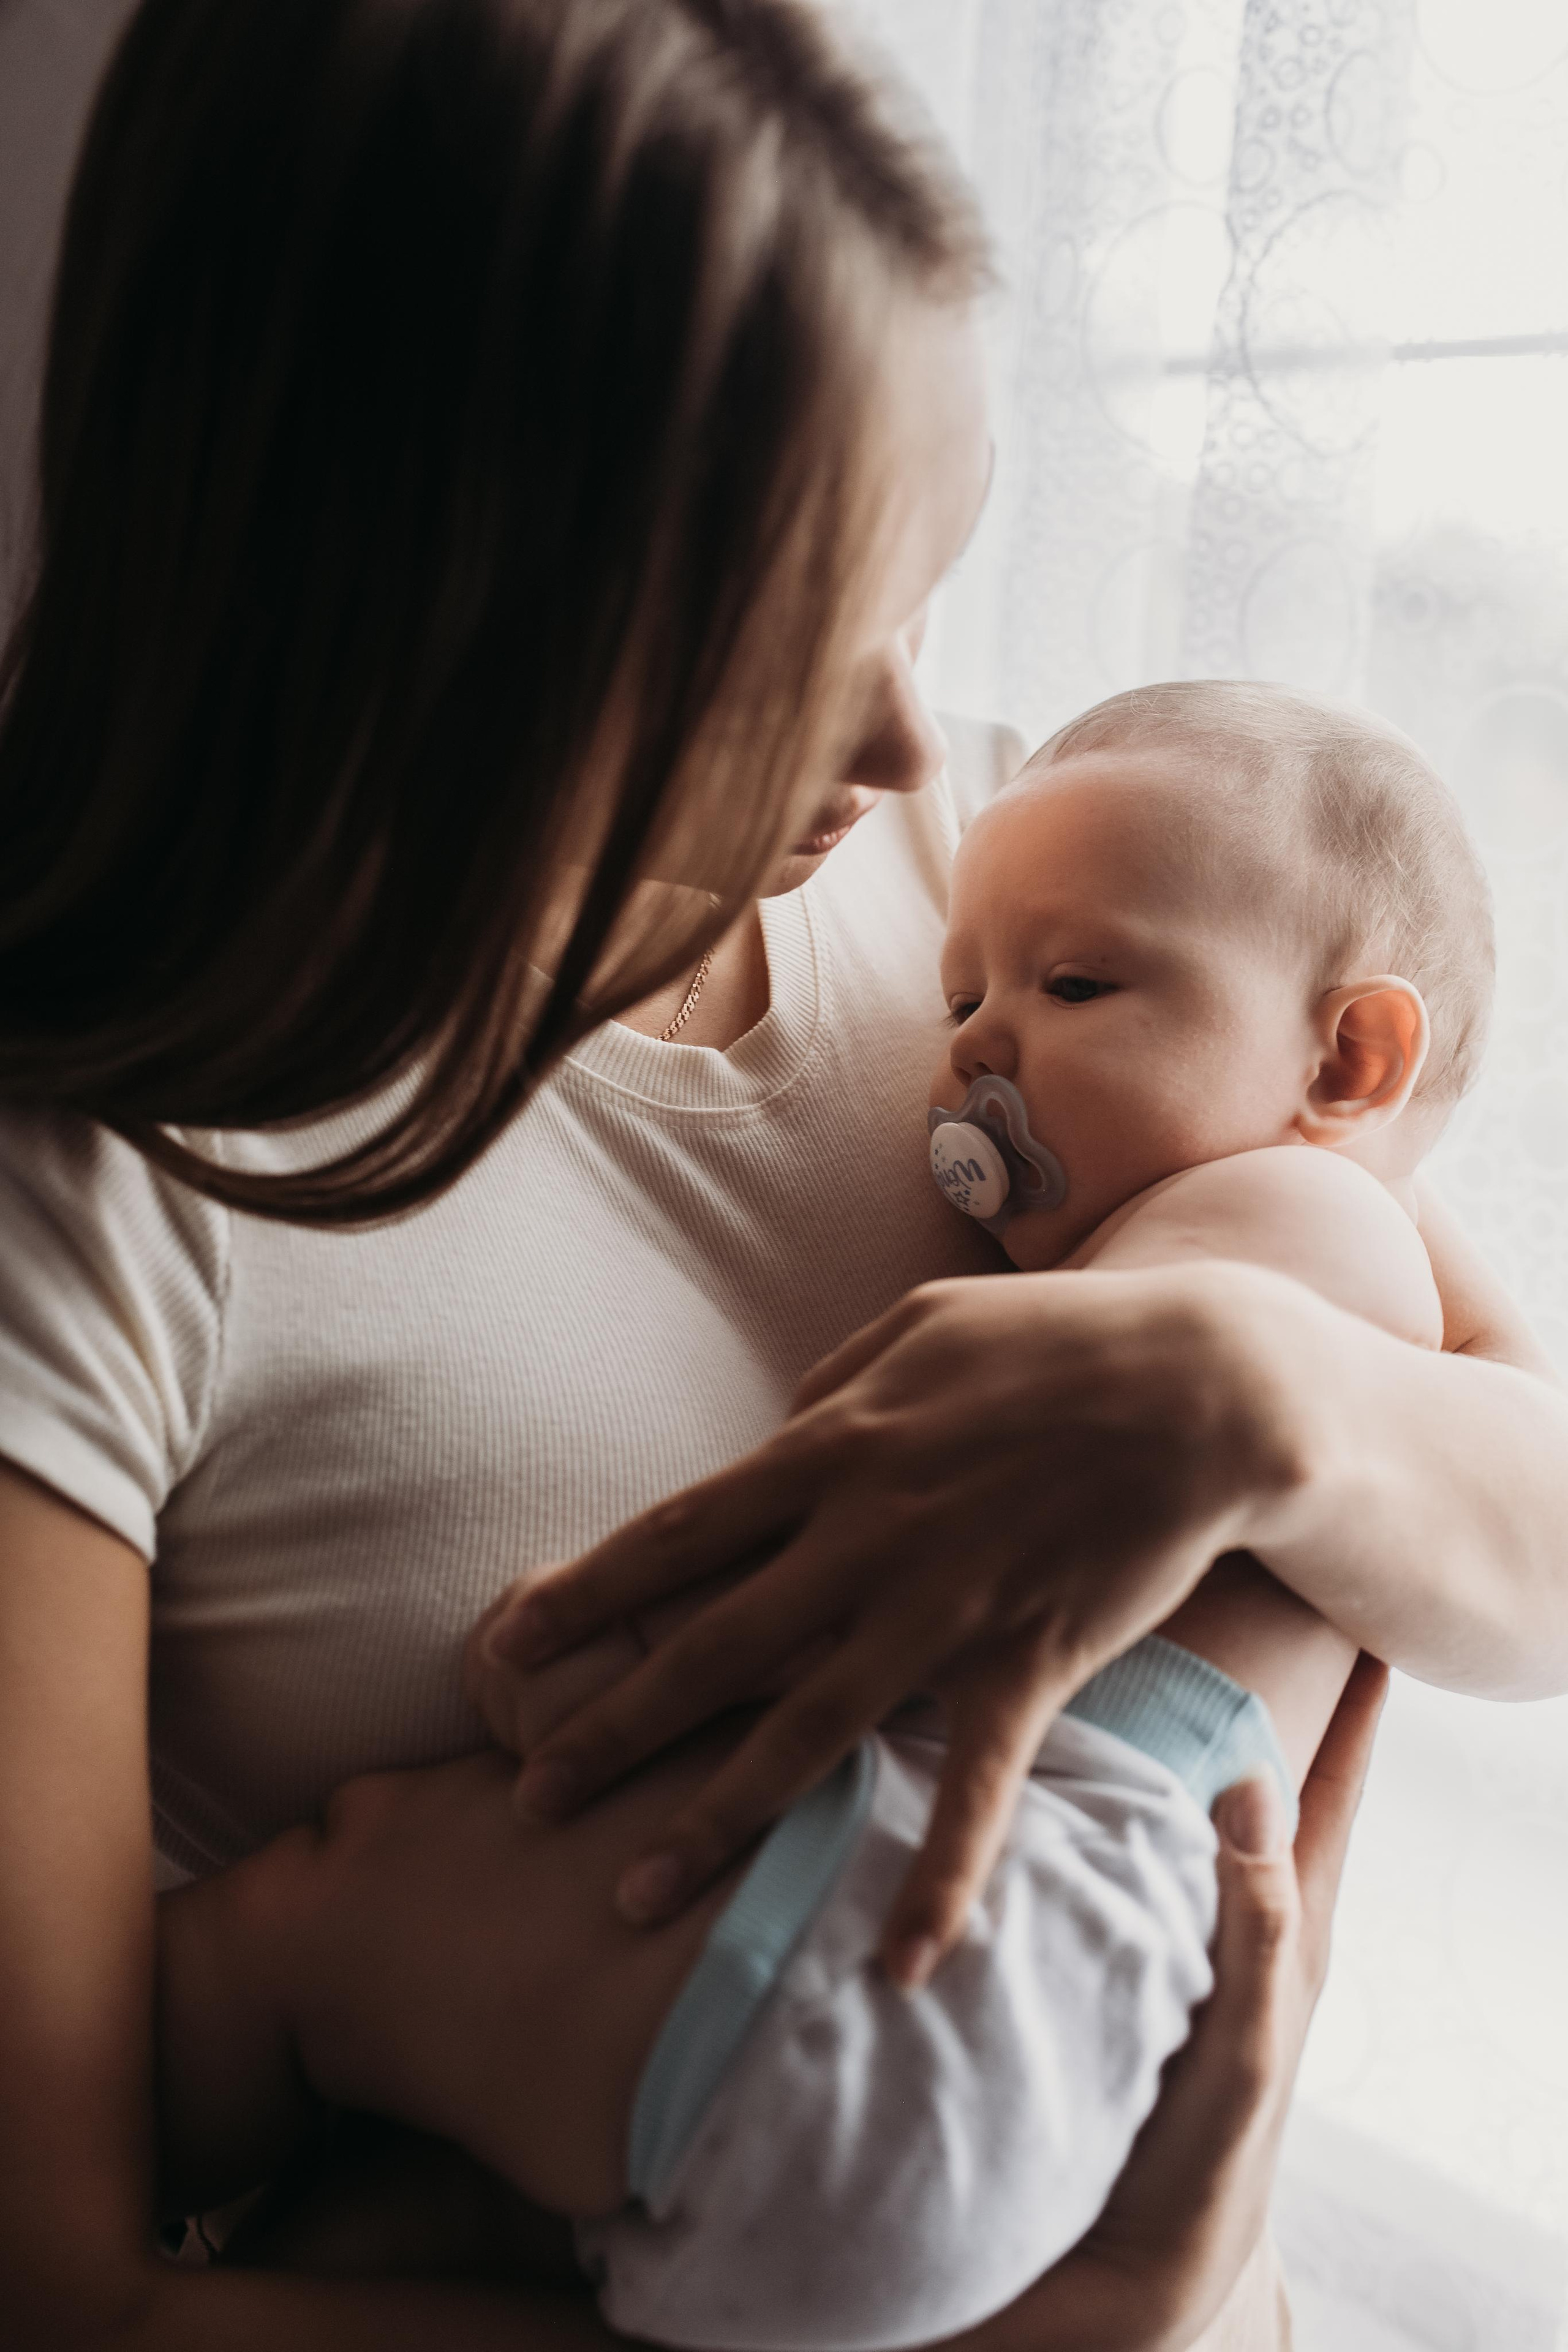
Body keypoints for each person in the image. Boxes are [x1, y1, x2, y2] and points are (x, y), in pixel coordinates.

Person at [1, 4, 1564, 2348]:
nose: (915, 725)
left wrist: (1261, 1395)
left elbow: (1533, 1549)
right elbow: (58, 2289)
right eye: (780, 630)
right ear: (433, 593)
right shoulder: (99, 1170)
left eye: (921, 587)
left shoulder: (1027, 904)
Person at [158, 681, 1486, 2348]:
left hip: (898, 1946)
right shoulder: (1154, 994)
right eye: (964, 996)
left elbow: (886, 1510)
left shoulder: (1296, 1213)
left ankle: (116, 2091)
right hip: (1031, 2093)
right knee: (397, 2225)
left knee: (329, 1909)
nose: (979, 1046)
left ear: (1349, 1059)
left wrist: (615, 1649)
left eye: (1072, 989)